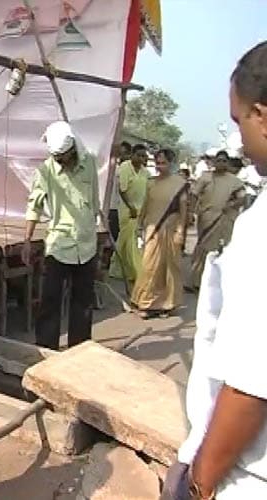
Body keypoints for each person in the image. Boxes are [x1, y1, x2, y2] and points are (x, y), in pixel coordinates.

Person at [161, 40, 267, 500]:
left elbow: (251, 386)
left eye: (239, 120)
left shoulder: (261, 229)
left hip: (247, 473)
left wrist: (200, 483)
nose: (241, 137)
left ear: (262, 115)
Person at [22, 121, 99, 350]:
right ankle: (46, 351)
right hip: (59, 245)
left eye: (64, 157)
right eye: (57, 157)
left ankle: (80, 351)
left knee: (83, 303)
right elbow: (34, 205)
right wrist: (27, 240)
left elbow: (94, 199)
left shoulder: (89, 163)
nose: (61, 161)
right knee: (50, 302)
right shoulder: (45, 171)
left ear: (73, 149)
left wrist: (91, 225)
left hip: (86, 245)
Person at [131, 148, 188, 319]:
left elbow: (184, 210)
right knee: (149, 267)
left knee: (169, 269)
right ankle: (146, 302)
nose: (160, 166)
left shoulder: (179, 184)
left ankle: (166, 305)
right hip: (152, 230)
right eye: (158, 163)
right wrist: (140, 225)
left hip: (170, 231)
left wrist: (180, 232)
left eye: (164, 163)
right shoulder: (151, 183)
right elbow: (145, 206)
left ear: (171, 163)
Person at [188, 150, 245, 292]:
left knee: (220, 250)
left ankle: (214, 283)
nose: (221, 163)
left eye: (224, 161)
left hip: (223, 219)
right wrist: (190, 212)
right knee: (203, 248)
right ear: (214, 162)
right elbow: (194, 194)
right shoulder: (205, 177)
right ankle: (197, 281)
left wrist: (231, 205)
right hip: (206, 218)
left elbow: (242, 198)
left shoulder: (234, 181)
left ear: (228, 163)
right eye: (218, 160)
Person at [109, 144, 150, 287]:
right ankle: (137, 271)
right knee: (130, 241)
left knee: (124, 241)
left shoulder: (145, 172)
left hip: (140, 208)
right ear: (132, 155)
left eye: (143, 156)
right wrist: (131, 207)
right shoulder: (125, 167)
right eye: (138, 155)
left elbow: (148, 190)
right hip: (127, 209)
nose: (141, 158)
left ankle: (117, 269)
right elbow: (122, 189)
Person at [107, 141, 132, 241]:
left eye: (124, 153)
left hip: (122, 210)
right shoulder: (112, 169)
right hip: (112, 209)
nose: (121, 157)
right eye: (119, 154)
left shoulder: (130, 171)